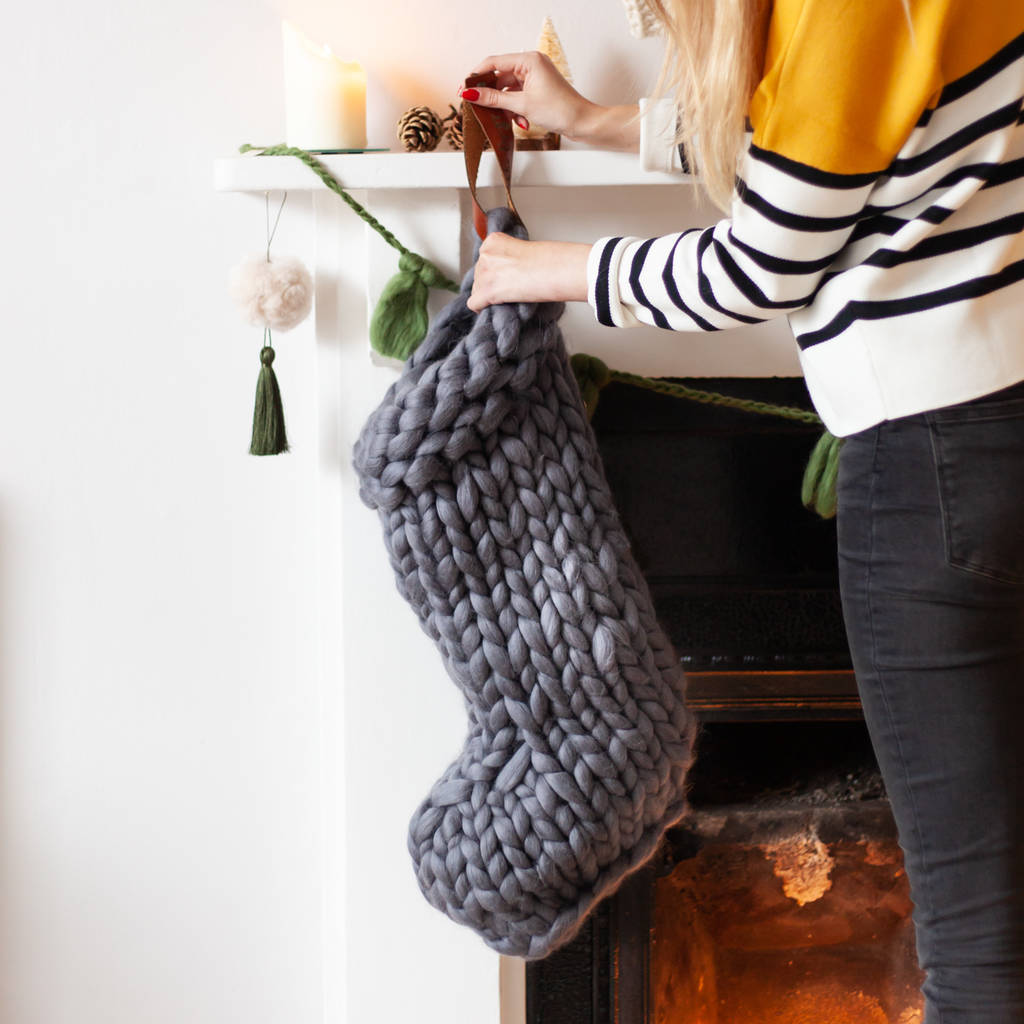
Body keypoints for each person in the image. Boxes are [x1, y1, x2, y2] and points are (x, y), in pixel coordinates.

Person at [461, 2, 1024, 1021]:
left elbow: (759, 264)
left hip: (931, 450)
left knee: (977, 947)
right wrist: (592, 120)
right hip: (999, 425)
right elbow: (828, 148)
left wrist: (559, 269)